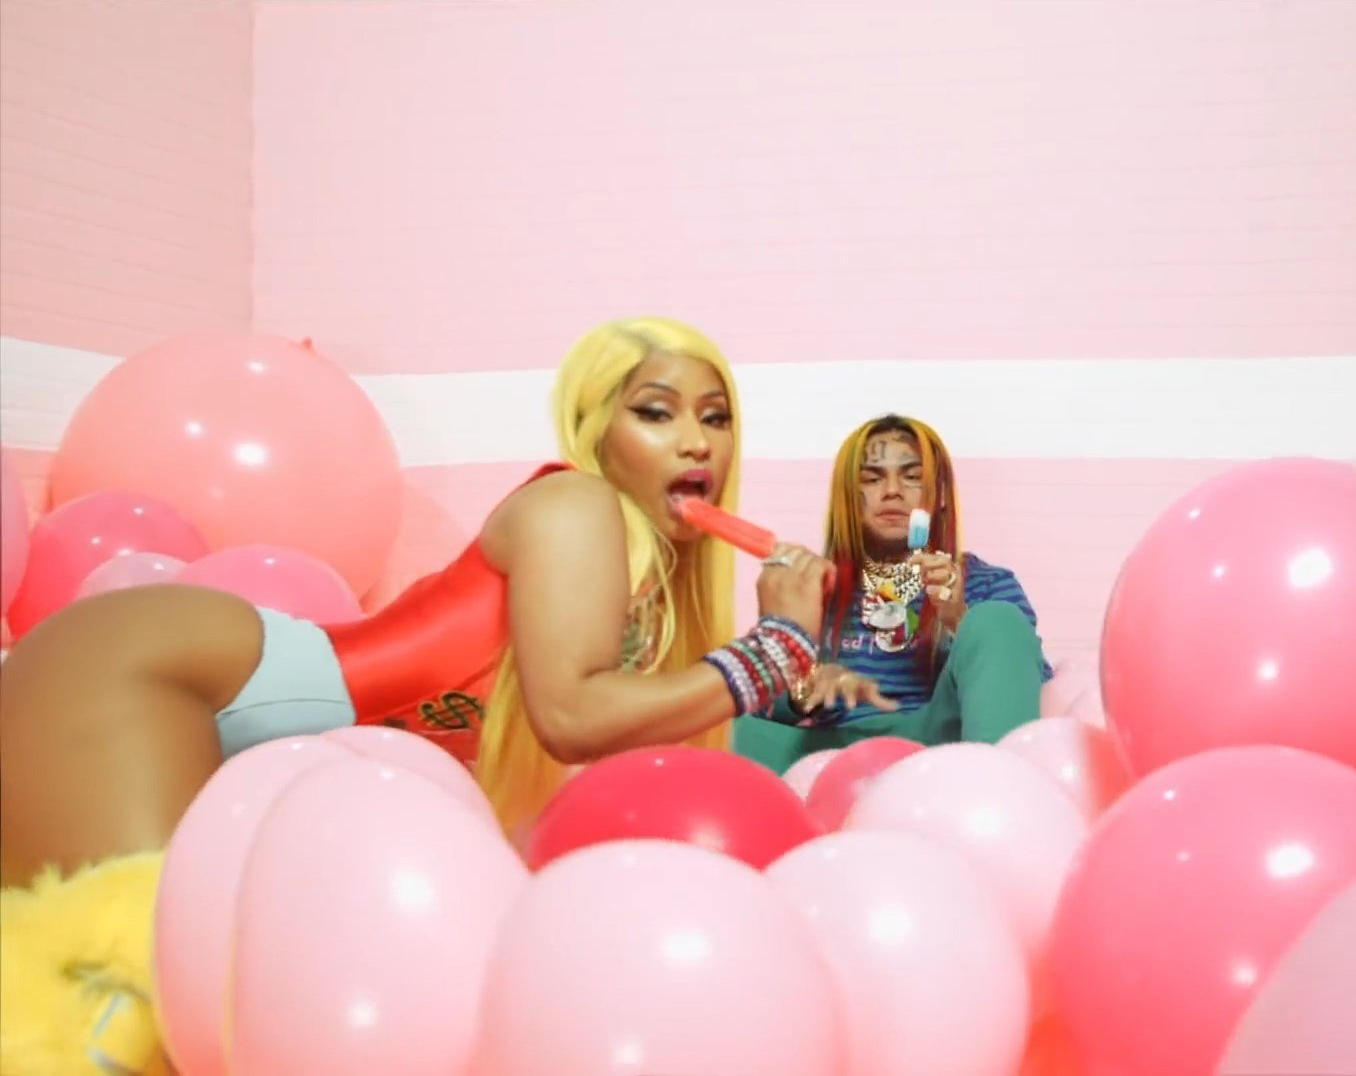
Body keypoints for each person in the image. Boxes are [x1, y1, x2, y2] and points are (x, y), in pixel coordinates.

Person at [0, 317, 835, 1071]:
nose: (695, 444)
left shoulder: (644, 579)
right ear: (595, 428)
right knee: (137, 989)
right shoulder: (574, 504)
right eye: (656, 412)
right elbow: (570, 716)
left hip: (248, 726)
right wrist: (775, 651)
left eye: (715, 418)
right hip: (147, 672)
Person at [731, 414, 1052, 776]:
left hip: (939, 747)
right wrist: (803, 689)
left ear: (940, 495)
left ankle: (998, 785)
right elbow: (761, 703)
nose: (892, 491)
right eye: (872, 479)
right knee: (720, 728)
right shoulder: (812, 585)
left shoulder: (987, 583)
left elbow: (1029, 687)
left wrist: (958, 620)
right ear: (848, 499)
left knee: (996, 619)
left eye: (912, 477)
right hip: (829, 754)